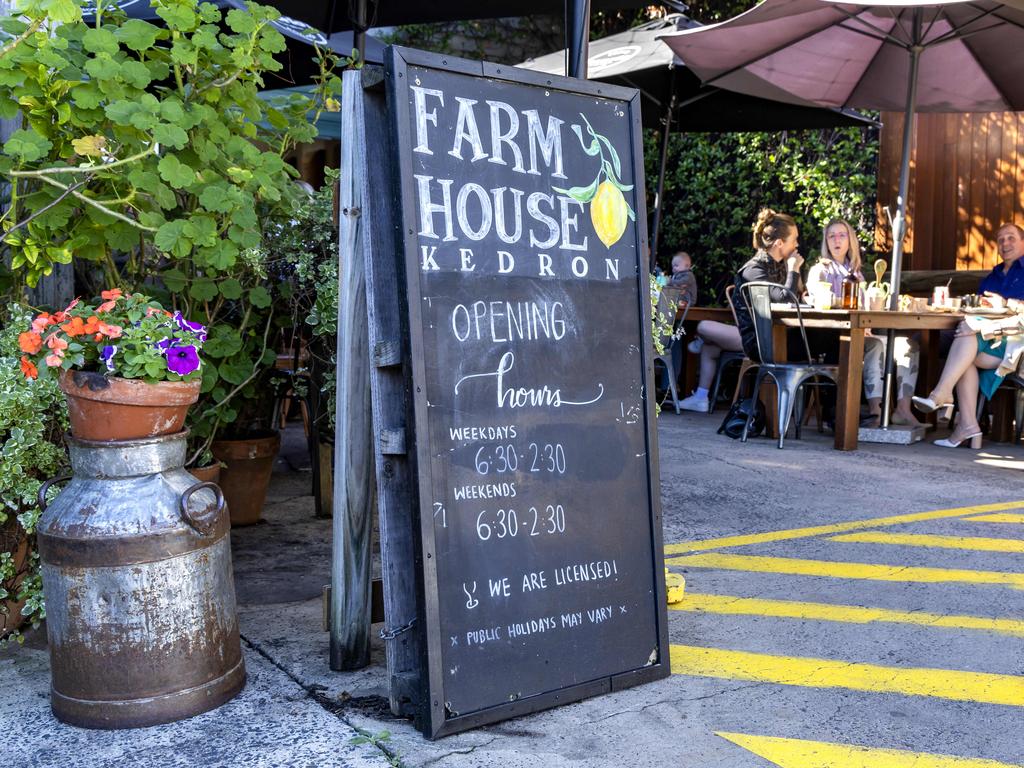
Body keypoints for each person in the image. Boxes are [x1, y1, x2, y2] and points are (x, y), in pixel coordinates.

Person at [679, 208, 803, 413]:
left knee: (710, 347)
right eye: (794, 239)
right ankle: (701, 395)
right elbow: (786, 298)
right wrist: (794, 270)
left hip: (770, 335)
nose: (797, 244)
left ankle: (701, 396)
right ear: (780, 243)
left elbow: (789, 300)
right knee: (702, 326)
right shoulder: (755, 269)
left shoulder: (777, 266)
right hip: (758, 340)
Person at [913, 222, 1024, 448]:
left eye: (1011, 238)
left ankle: (943, 395)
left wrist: (1004, 304)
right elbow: (979, 309)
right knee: (964, 346)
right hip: (983, 337)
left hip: (1012, 341)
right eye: (1001, 240)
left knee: (965, 336)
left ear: (1023, 242)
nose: (1005, 243)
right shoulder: (992, 276)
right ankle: (968, 425)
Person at [808, 219, 922, 427]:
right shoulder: (821, 270)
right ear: (826, 241)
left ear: (850, 240)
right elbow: (818, 301)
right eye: (831, 235)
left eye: (842, 235)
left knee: (909, 346)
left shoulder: (855, 273)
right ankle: (875, 411)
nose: (837, 240)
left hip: (862, 331)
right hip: (833, 337)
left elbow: (864, 309)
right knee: (875, 345)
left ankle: (903, 409)